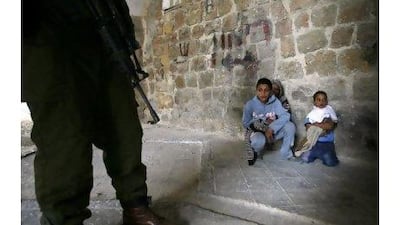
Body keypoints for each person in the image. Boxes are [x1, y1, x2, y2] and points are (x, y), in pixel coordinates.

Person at [23, 1, 171, 224]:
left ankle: (135, 205)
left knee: (124, 128)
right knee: (64, 137)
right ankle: (64, 219)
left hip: (102, 24)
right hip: (45, 30)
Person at [242, 78, 296, 165]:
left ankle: (285, 153)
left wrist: (271, 128)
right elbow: (245, 123)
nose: (263, 93)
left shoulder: (275, 102)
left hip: (272, 133)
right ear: (256, 91)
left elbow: (286, 115)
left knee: (290, 126)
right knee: (258, 141)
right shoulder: (250, 104)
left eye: (266, 91)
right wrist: (261, 126)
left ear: (270, 91)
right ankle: (257, 152)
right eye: (260, 90)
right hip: (258, 133)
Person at [296, 91, 339, 167]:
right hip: (313, 143)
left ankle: (323, 155)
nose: (321, 102)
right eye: (318, 100)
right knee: (305, 158)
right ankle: (314, 154)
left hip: (326, 143)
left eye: (323, 100)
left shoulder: (329, 112)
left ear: (326, 101)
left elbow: (330, 125)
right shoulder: (312, 114)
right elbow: (308, 127)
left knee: (330, 162)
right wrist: (321, 126)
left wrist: (316, 125)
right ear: (314, 102)